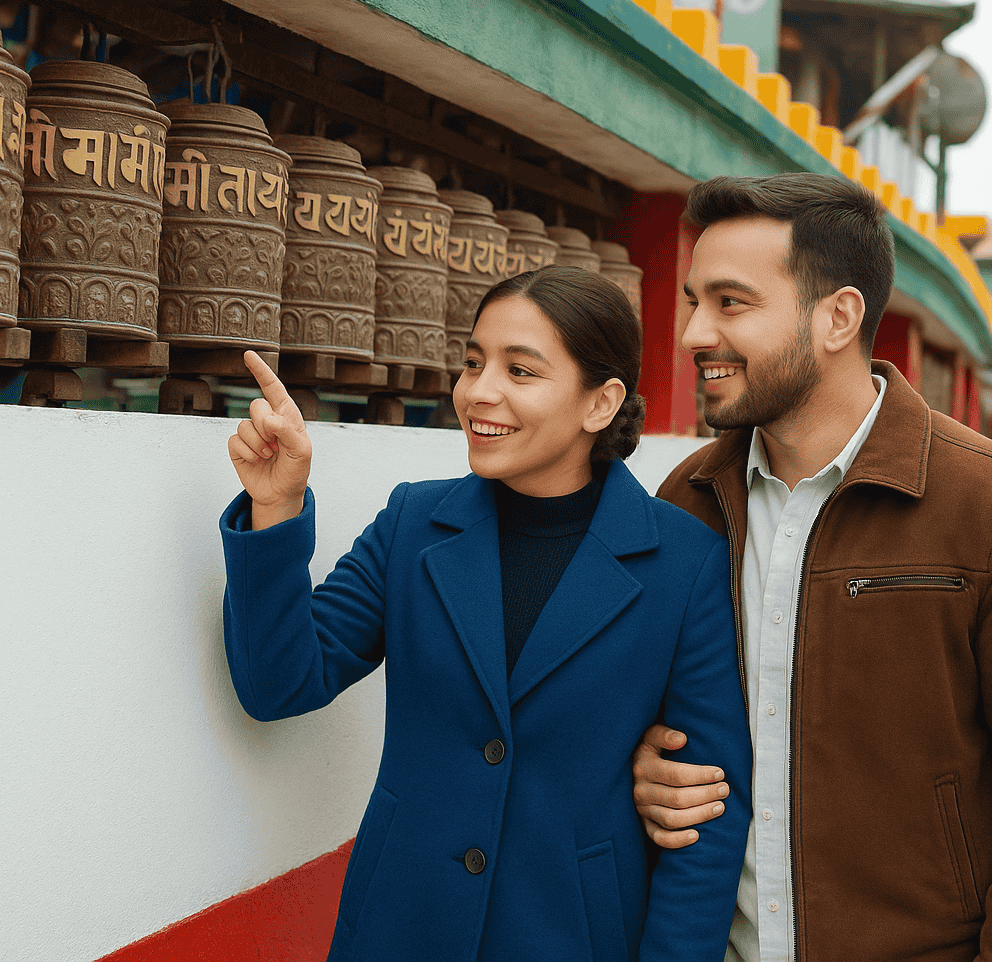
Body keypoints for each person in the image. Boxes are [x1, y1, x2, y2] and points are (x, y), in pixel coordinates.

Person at [629, 173, 992, 962]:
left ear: (839, 317)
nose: (692, 333)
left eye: (730, 302)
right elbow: (652, 719)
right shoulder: (684, 501)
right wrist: (647, 768)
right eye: (692, 301)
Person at [220, 266, 751, 961]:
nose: (479, 392)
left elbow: (704, 827)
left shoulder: (684, 564)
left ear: (601, 402)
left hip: (571, 939)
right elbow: (280, 682)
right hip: (398, 930)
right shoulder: (414, 523)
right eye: (472, 363)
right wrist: (276, 508)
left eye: (520, 371)